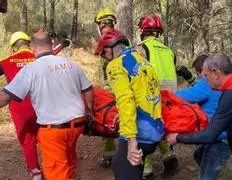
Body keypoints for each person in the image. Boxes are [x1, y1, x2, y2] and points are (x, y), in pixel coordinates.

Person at [0, 31, 93, 180]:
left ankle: (38, 173)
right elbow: (88, 90)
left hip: (52, 128)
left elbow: (4, 98)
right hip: (77, 125)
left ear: (32, 47)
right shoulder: (70, 64)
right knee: (69, 161)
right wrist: (89, 111)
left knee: (54, 171)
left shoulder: (28, 68)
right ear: (51, 44)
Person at [95, 28, 164, 180]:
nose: (105, 59)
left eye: (104, 54)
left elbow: (126, 101)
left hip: (140, 134)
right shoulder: (142, 61)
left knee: (123, 169)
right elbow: (144, 92)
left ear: (109, 49)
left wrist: (132, 142)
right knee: (120, 164)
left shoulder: (116, 65)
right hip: (156, 129)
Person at [175, 54, 231, 180]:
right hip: (219, 136)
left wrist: (164, 94)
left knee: (205, 178)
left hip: (219, 140)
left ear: (204, 72)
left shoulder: (206, 83)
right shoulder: (216, 82)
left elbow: (187, 95)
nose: (199, 77)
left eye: (198, 74)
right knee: (198, 155)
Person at [136, 14, 178, 177]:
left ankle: (146, 171)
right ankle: (169, 156)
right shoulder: (170, 51)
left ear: (143, 31)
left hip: (150, 99)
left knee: (145, 132)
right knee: (164, 128)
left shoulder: (141, 49)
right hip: (170, 99)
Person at [0, 31, 41, 179]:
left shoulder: (5, 61)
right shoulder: (38, 57)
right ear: (29, 44)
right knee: (46, 136)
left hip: (19, 106)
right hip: (41, 103)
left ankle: (35, 172)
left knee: (27, 140)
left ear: (13, 48)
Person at [94, 8, 118, 167]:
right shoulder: (124, 38)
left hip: (114, 88)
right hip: (130, 86)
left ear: (102, 23)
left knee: (106, 120)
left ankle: (109, 156)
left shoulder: (105, 39)